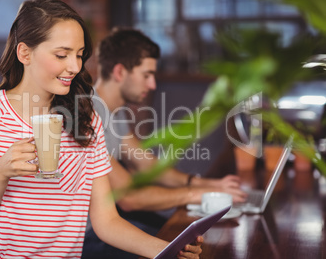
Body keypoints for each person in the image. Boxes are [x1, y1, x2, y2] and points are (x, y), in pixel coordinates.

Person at [0, 0, 203, 259]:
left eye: (79, 55)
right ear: (24, 53)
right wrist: (0, 174)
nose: (74, 67)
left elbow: (106, 222)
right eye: (61, 55)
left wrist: (168, 250)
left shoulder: (85, 118)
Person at [82, 28, 247, 258]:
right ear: (120, 72)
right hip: (89, 239)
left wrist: (204, 184)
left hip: (108, 227)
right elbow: (129, 197)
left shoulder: (113, 112)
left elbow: (146, 165)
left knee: (189, 241)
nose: (152, 85)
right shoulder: (88, 113)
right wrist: (196, 194)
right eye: (146, 75)